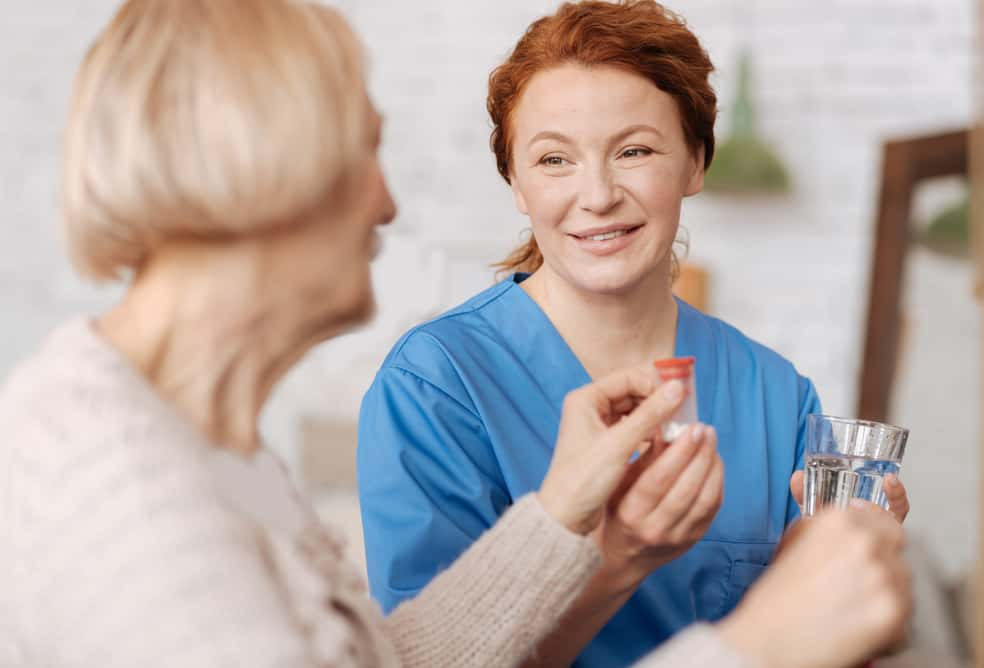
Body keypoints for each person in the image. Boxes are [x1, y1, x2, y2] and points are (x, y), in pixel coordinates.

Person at [0, 1, 910, 667]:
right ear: (255, 172)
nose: (392, 202)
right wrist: (755, 647)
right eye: (363, 151)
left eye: (634, 150)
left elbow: (395, 662)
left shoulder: (217, 456)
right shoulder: (122, 493)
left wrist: (586, 534)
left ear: (693, 163)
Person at [357, 2, 911, 667]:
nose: (596, 194)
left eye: (635, 150)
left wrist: (833, 576)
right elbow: (428, 662)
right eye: (554, 159)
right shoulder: (435, 388)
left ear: (695, 163)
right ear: (517, 185)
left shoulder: (775, 394)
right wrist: (617, 555)